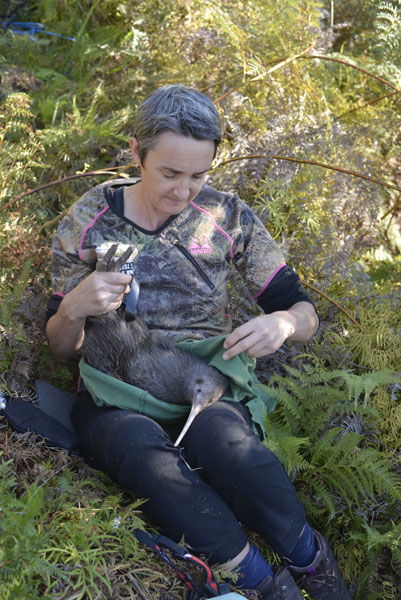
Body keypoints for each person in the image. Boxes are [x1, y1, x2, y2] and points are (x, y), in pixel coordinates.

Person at [46, 85, 352, 600]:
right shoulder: (87, 221)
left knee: (231, 450)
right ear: (136, 152)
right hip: (115, 390)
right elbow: (60, 349)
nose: (184, 191)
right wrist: (75, 305)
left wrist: (282, 324)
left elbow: (303, 310)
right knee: (144, 457)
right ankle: (255, 579)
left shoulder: (226, 216)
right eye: (169, 173)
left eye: (199, 175)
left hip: (203, 381)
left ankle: (309, 559)